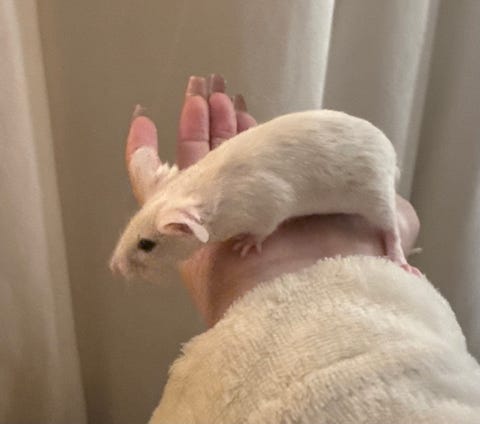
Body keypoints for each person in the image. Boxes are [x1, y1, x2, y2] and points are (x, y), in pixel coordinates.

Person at [126, 75, 480, 423]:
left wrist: (258, 238)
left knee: (374, 203)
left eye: (146, 245)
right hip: (338, 151)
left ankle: (392, 242)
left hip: (359, 159)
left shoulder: (227, 208)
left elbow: (275, 201)